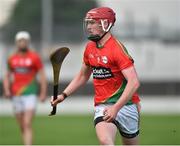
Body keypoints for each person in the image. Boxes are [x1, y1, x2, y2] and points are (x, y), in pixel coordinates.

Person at [51, 7, 141, 145]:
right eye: (87, 23)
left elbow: (134, 82)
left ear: (105, 23)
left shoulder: (117, 49)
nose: (88, 27)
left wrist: (116, 108)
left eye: (92, 23)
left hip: (126, 105)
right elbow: (82, 76)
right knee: (105, 141)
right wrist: (63, 95)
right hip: (103, 105)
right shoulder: (89, 48)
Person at [3, 31, 47, 145]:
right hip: (16, 94)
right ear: (16, 43)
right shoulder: (11, 58)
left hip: (30, 93)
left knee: (27, 123)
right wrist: (7, 90)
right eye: (20, 41)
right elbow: (7, 76)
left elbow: (42, 75)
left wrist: (43, 92)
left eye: (25, 41)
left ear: (28, 42)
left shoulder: (34, 57)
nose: (22, 43)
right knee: (22, 125)